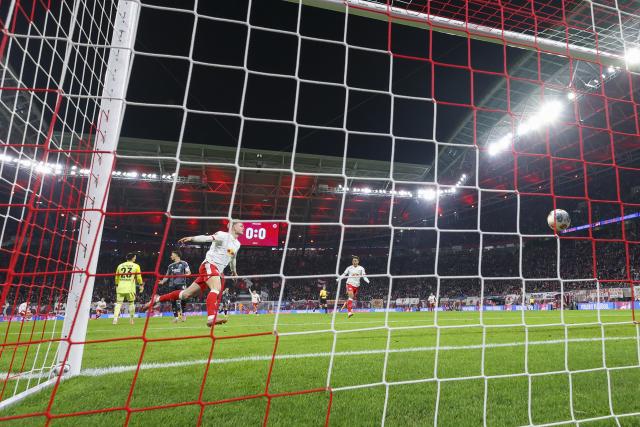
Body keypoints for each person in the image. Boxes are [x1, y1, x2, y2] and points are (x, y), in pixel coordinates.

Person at [144, 222, 244, 327]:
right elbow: (207, 238)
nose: (243, 227)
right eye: (241, 225)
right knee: (216, 288)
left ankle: (157, 299)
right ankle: (211, 317)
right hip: (210, 265)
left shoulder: (236, 244)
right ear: (233, 226)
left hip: (215, 270)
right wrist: (192, 238)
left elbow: (232, 257)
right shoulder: (223, 236)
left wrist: (234, 271)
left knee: (185, 294)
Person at [158, 250, 191, 323]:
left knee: (183, 299)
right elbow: (167, 276)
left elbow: (188, 272)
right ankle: (176, 317)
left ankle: (183, 315)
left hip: (181, 284)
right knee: (173, 301)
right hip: (172, 285)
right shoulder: (170, 266)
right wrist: (163, 281)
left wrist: (186, 274)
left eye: (172, 254)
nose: (171, 256)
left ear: (176, 255)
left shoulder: (184, 263)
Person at [114, 252, 144, 325]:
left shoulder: (120, 266)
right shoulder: (136, 266)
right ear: (133, 258)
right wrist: (141, 285)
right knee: (131, 303)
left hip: (120, 286)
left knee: (118, 303)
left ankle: (115, 319)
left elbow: (116, 277)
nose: (135, 258)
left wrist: (117, 285)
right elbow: (139, 277)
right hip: (130, 287)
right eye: (135, 257)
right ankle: (131, 319)